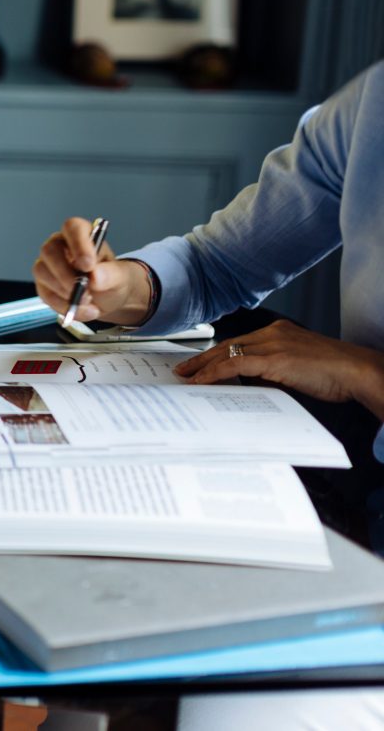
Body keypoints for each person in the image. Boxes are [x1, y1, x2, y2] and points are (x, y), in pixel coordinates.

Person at [33, 60, 384, 730]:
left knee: (233, 705)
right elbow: (217, 264)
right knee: (91, 635)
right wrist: (121, 285)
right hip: (366, 501)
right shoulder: (375, 103)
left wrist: (365, 373)